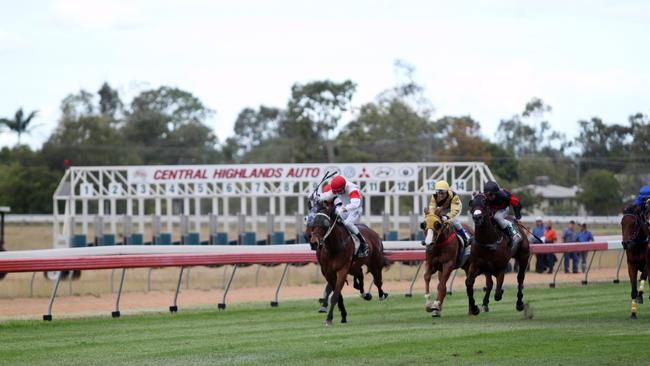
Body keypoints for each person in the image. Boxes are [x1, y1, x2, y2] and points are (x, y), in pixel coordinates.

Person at [317, 175, 367, 257]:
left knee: (348, 223)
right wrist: (318, 197)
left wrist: (344, 209)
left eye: (338, 191)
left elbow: (355, 203)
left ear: (344, 187)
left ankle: (363, 243)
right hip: (345, 208)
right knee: (333, 217)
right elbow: (328, 195)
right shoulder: (337, 188)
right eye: (335, 191)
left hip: (355, 209)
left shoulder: (352, 189)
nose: (337, 193)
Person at [422, 180, 469, 245]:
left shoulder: (454, 196)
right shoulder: (434, 196)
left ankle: (465, 237)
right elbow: (432, 207)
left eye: (442, 193)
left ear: (447, 191)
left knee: (454, 221)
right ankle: (429, 239)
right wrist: (431, 215)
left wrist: (447, 217)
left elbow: (454, 210)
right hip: (444, 208)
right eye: (438, 192)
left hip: (455, 207)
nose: (440, 195)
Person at [484, 181, 523, 248]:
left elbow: (516, 203)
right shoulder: (485, 197)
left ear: (495, 194)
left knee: (497, 217)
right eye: (486, 195)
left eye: (490, 195)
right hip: (492, 210)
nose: (488, 197)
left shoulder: (504, 195)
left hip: (503, 209)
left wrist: (518, 218)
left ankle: (514, 233)